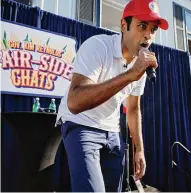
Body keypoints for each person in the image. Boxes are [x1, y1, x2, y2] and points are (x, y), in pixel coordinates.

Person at [56, 0, 169, 192]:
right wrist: (129, 76)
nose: (148, 36)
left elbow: (133, 109)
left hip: (111, 131)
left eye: (153, 30)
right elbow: (74, 102)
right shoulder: (98, 46)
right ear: (124, 25)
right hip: (81, 123)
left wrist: (139, 149)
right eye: (142, 26)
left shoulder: (140, 64)